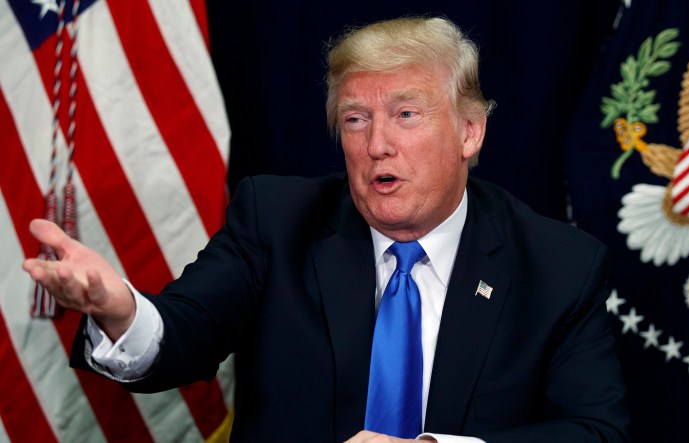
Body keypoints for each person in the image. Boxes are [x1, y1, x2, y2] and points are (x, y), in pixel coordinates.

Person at [23, 16, 629, 442]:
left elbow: (596, 431)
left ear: (470, 132)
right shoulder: (278, 219)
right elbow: (186, 332)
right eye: (355, 119)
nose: (377, 144)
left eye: (406, 115)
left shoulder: (558, 265)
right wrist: (119, 309)